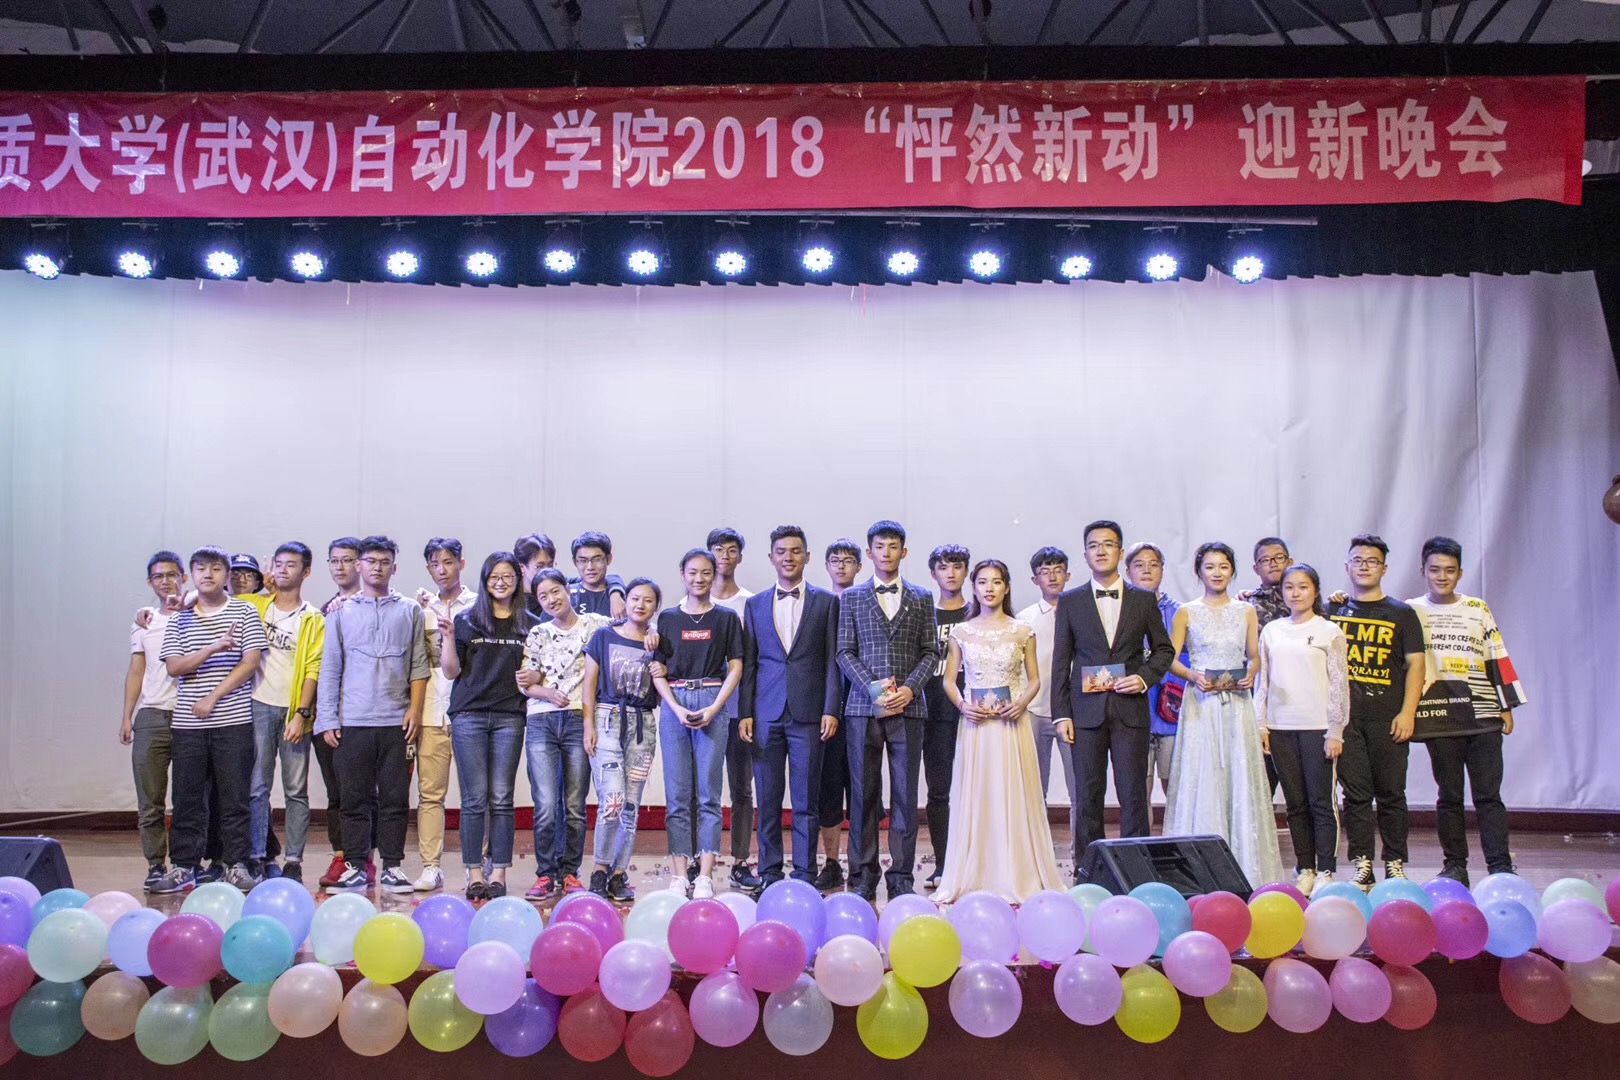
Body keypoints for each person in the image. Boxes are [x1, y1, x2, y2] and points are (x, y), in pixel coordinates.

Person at [933, 560, 1067, 904]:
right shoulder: (962, 632)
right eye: (982, 582)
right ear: (974, 588)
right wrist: (963, 705)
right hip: (976, 727)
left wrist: (1022, 703)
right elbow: (949, 680)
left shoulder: (1022, 631)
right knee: (978, 794)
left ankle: (1017, 873)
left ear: (1006, 587)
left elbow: (1035, 679)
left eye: (996, 582)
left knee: (1014, 793)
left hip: (1012, 726)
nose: (989, 588)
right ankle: (975, 874)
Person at [1051, 520, 1175, 871]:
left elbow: (1164, 650)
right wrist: (1062, 714)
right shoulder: (1071, 601)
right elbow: (1061, 661)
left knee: (1133, 794)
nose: (1101, 551)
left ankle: (1136, 869)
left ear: (1120, 552)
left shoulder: (1143, 599)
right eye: (1093, 545)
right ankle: (1089, 870)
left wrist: (1143, 678)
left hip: (1130, 711)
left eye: (1108, 544)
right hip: (1084, 714)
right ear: (1085, 554)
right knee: (1087, 795)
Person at [1407, 537, 1527, 886]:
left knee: (1489, 796)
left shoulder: (1477, 608)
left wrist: (1505, 705)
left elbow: (1496, 654)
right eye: (1434, 570)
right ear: (1423, 571)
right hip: (1439, 716)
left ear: (1460, 573)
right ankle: (1455, 866)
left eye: (1449, 570)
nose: (1442, 577)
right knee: (1449, 796)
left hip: (1482, 714)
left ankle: (1500, 867)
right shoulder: (1409, 610)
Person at [1163, 542, 1283, 887]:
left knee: (1238, 773)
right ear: (1199, 572)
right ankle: (1200, 869)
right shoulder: (1186, 611)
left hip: (1237, 704)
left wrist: (1251, 672)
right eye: (1210, 566)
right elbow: (1169, 658)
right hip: (1201, 703)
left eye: (1223, 566)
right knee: (1202, 774)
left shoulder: (1246, 611)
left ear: (1233, 571)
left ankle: (1245, 864)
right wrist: (1193, 676)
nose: (1217, 573)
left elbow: (1254, 656)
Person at [150, 547, 268, 894]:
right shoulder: (180, 618)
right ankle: (184, 866)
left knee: (235, 798)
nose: (208, 574)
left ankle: (235, 864)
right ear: (192, 575)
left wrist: (213, 697)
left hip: (233, 720)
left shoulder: (244, 611)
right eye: (200, 568)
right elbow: (175, 666)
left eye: (216, 569)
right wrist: (214, 647)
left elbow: (250, 662)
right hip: (188, 725)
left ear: (226, 575)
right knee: (187, 799)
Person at [314, 536, 428, 895]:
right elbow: (330, 668)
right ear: (359, 566)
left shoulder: (410, 610)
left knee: (395, 799)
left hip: (396, 723)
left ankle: (393, 866)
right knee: (353, 800)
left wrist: (415, 710)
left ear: (394, 567)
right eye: (370, 561)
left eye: (384, 562)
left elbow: (419, 665)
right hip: (352, 723)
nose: (377, 567)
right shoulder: (340, 612)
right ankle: (355, 867)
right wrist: (327, 719)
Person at [836, 520, 941, 902]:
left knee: (905, 796)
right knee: (862, 795)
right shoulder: (852, 598)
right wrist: (873, 689)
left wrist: (910, 689)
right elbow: (844, 651)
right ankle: (863, 874)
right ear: (869, 553)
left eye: (893, 546)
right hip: (862, 709)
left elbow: (932, 652)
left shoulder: (922, 597)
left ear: (904, 552)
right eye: (879, 546)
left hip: (908, 709)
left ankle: (901, 875)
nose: (886, 552)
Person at [740, 526, 842, 886]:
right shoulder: (754, 605)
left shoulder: (826, 603)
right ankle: (769, 872)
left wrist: (831, 708)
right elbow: (749, 663)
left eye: (796, 551)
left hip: (810, 714)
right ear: (771, 558)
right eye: (781, 551)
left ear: (807, 557)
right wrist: (746, 712)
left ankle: (804, 874)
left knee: (805, 801)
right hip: (765, 715)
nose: (788, 557)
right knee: (767, 801)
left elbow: (832, 661)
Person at [1327, 534, 1426, 891]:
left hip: (1389, 718)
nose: (1364, 566)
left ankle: (1395, 862)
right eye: (1358, 560)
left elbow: (1416, 665)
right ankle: (1362, 864)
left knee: (1391, 794)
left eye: (1372, 561)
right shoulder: (1333, 611)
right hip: (1346, 721)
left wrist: (1408, 712)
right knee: (1355, 795)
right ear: (1347, 566)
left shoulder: (1402, 613)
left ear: (1384, 568)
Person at [654, 549, 745, 899]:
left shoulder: (726, 618)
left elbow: (735, 666)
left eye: (706, 572)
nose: (699, 579)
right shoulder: (667, 619)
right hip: (674, 704)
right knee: (678, 795)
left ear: (714, 574)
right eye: (692, 572)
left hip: (712, 700)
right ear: (682, 574)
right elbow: (657, 669)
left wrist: (715, 707)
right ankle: (679, 874)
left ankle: (705, 875)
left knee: (709, 794)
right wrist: (675, 708)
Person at [442, 552, 532, 901]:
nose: (501, 582)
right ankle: (475, 873)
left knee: (502, 798)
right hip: (470, 715)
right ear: (484, 580)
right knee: (474, 799)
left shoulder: (530, 623)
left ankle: (499, 874)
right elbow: (451, 671)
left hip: (510, 716)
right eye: (494, 576)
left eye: (507, 576)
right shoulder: (466, 620)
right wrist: (448, 637)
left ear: (517, 581)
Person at [1255, 563, 1348, 896]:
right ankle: (1305, 867)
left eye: (1303, 586)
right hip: (1280, 727)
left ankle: (1326, 869)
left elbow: (1339, 685)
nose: (1296, 593)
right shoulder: (1272, 631)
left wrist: (1335, 730)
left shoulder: (1329, 631)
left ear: (1316, 591)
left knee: (1321, 802)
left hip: (1318, 728)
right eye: (1289, 587)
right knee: (1294, 803)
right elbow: (1263, 682)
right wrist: (1261, 724)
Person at [520, 568, 610, 899]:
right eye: (543, 596)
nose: (551, 600)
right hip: (542, 720)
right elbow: (526, 684)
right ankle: (546, 873)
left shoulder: (595, 625)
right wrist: (547, 693)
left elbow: (631, 624)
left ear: (568, 590)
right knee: (545, 803)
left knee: (574, 803)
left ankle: (570, 872)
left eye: (555, 591)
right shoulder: (538, 633)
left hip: (577, 719)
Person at [238, 542, 324, 884]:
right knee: (257, 786)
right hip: (257, 704)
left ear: (306, 571)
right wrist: (263, 586)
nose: (283, 569)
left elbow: (314, 668)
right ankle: (257, 856)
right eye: (279, 564)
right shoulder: (257, 605)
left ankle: (293, 860)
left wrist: (302, 713)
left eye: (292, 564)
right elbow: (215, 600)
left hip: (292, 710)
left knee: (295, 789)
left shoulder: (312, 617)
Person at [582, 579, 664, 903]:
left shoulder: (657, 642)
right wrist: (588, 725)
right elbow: (589, 683)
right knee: (613, 799)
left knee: (630, 805)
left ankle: (618, 873)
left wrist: (659, 655)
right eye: (634, 598)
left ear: (655, 607)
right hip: (607, 718)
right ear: (625, 601)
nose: (640, 605)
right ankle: (599, 869)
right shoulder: (603, 636)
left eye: (648, 600)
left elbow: (662, 687)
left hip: (642, 723)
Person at [412, 537, 474, 892]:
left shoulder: (476, 606)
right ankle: (430, 866)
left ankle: (474, 866)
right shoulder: (420, 609)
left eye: (448, 562)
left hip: (468, 713)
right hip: (431, 714)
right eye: (434, 564)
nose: (441, 570)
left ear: (461, 564)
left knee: (474, 796)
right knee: (430, 795)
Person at [122, 551, 186, 891]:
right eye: (159, 576)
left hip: (189, 714)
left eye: (172, 574)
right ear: (150, 582)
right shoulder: (144, 622)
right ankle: (155, 865)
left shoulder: (196, 611)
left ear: (184, 577)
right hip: (151, 715)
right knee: (150, 801)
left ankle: (187, 864)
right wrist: (127, 715)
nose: (166, 581)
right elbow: (137, 670)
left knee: (190, 799)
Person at [705, 526, 759, 891]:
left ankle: (740, 861)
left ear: (740, 556)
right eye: (717, 550)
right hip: (703, 711)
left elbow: (753, 662)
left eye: (731, 550)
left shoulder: (750, 603)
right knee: (703, 791)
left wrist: (751, 709)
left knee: (742, 788)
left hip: (740, 710)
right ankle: (698, 863)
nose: (724, 556)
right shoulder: (693, 600)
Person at [1017, 546, 1079, 864]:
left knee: (1079, 788)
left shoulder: (1082, 612)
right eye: (1044, 571)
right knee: (1033, 789)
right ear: (1034, 579)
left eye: (1058, 570)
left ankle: (1082, 855)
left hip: (1072, 713)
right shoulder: (1024, 619)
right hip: (1033, 711)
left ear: (1068, 575)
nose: (1052, 576)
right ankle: (1035, 856)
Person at [316, 537, 367, 889]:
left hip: (367, 714)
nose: (340, 567)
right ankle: (342, 856)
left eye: (347, 560)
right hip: (333, 713)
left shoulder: (376, 605)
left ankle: (365, 859)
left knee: (365, 794)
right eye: (334, 561)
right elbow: (322, 667)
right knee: (337, 792)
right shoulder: (325, 610)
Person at [814, 538, 862, 892]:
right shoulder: (819, 605)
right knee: (827, 790)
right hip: (826, 712)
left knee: (862, 790)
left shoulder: (866, 602)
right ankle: (831, 862)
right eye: (835, 560)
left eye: (848, 560)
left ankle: (860, 862)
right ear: (827, 566)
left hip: (862, 708)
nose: (841, 566)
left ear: (859, 566)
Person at [922, 544, 970, 889]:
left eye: (957, 566)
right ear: (933, 573)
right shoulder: (924, 613)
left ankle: (975, 864)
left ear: (966, 571)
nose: (950, 573)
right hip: (933, 714)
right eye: (943, 567)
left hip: (976, 715)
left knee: (976, 791)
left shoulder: (978, 611)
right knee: (938, 792)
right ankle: (942, 864)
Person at [1124, 542, 1185, 804]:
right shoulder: (1119, 611)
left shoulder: (1181, 612)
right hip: (1134, 712)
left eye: (1153, 565)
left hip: (1173, 713)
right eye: (1139, 565)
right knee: (1138, 793)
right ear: (1128, 572)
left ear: (1162, 569)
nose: (1147, 570)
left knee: (1177, 792)